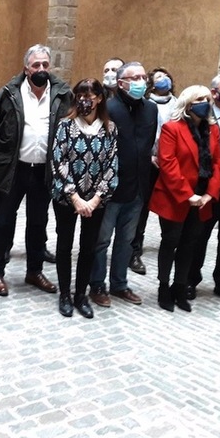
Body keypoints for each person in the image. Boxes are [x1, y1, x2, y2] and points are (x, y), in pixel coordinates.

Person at [0, 44, 72, 297]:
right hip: (13, 170)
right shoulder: (7, 94)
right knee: (3, 222)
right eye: (35, 65)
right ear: (26, 68)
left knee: (38, 222)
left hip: (44, 172)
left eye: (44, 64)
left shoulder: (63, 95)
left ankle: (34, 271)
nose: (40, 69)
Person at [149, 86, 220, 311]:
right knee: (170, 242)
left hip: (202, 199)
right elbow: (168, 164)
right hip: (175, 198)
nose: (205, 102)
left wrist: (210, 194)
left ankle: (179, 287)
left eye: (208, 99)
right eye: (200, 99)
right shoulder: (172, 128)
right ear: (188, 104)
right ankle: (163, 287)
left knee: (189, 245)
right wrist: (187, 194)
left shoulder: (212, 130)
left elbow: (218, 164)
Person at [88, 62, 157, 307]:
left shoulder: (151, 109)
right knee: (101, 240)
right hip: (110, 187)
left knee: (126, 240)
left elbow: (147, 146)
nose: (140, 81)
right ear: (121, 84)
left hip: (138, 187)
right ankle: (97, 284)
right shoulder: (108, 109)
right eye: (134, 77)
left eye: (142, 76)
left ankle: (119, 284)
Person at [50, 78, 118, 318]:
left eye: (89, 95)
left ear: (99, 98)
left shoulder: (110, 128)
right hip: (67, 198)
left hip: (96, 202)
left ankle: (81, 294)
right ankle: (65, 295)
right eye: (80, 94)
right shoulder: (65, 126)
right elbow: (59, 163)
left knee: (88, 248)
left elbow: (112, 165)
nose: (84, 100)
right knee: (64, 244)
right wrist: (75, 198)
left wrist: (96, 198)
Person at [189, 73, 220, 303]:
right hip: (208, 191)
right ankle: (190, 280)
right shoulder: (203, 118)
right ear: (215, 92)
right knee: (199, 236)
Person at [130, 67, 177, 275]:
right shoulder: (144, 104)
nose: (163, 79)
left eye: (165, 76)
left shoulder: (177, 105)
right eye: (158, 77)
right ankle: (134, 251)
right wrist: (149, 155)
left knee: (169, 205)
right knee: (141, 208)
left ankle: (170, 245)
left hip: (170, 163)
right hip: (148, 162)